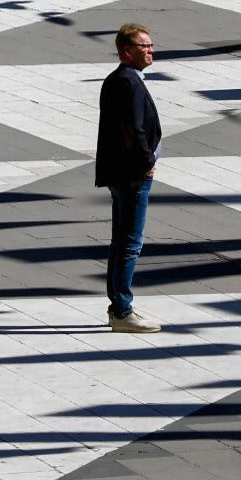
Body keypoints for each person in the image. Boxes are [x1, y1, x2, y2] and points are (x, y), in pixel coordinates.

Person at [95, 23, 162, 333]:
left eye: (150, 45)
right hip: (132, 175)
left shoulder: (118, 79)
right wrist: (147, 161)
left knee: (121, 241)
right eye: (143, 46)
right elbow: (132, 130)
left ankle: (120, 307)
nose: (150, 50)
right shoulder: (129, 83)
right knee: (130, 244)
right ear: (126, 51)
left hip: (121, 172)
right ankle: (122, 310)